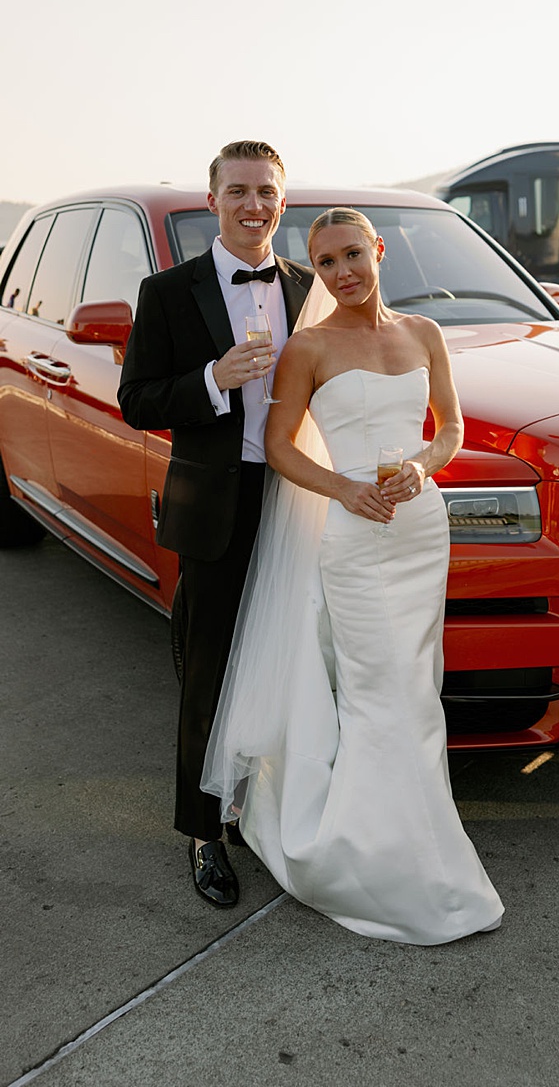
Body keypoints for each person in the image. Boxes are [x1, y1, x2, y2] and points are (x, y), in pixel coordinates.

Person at [201, 207, 503, 944]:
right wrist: (343, 488)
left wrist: (423, 469)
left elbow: (450, 428)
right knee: (379, 693)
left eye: (351, 255)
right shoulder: (308, 346)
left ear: (379, 251)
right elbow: (279, 448)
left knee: (418, 688)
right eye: (325, 262)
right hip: (355, 536)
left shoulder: (424, 334)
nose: (341, 273)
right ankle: (374, 859)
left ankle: (420, 846)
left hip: (420, 529)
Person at [118, 140, 314, 908]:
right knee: (210, 670)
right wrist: (211, 379)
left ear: (282, 202)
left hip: (300, 500)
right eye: (238, 190)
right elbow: (138, 398)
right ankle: (204, 833)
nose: (253, 205)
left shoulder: (309, 288)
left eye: (265, 191)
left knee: (296, 663)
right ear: (213, 200)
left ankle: (275, 809)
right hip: (216, 506)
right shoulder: (167, 292)